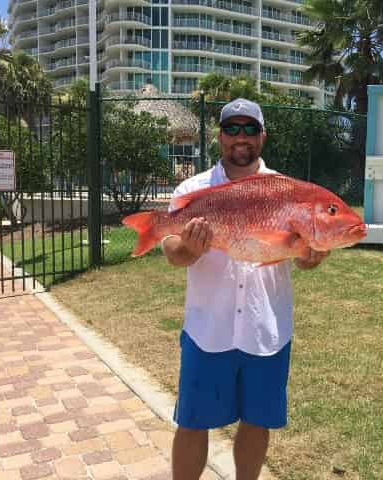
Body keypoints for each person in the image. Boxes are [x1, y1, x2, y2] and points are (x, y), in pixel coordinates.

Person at [162, 98, 329, 480]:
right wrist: (188, 247)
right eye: (232, 129)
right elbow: (171, 252)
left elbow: (300, 256)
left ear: (262, 136)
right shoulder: (194, 189)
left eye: (250, 129)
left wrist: (311, 256)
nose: (241, 137)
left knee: (257, 422)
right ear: (219, 136)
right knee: (192, 422)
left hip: (266, 329)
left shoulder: (286, 190)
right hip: (208, 329)